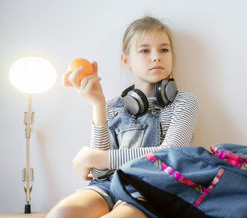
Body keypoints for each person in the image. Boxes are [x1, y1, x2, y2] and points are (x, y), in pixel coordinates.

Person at [47, 16, 199, 218]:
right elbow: (100, 172)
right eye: (144, 50)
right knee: (61, 214)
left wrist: (97, 158)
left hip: (153, 187)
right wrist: (98, 104)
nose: (156, 57)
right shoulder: (113, 107)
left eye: (164, 49)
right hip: (107, 185)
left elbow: (169, 154)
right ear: (126, 60)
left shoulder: (184, 101)